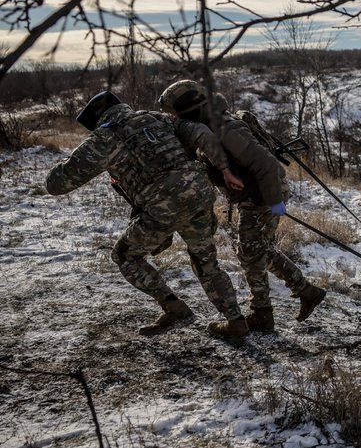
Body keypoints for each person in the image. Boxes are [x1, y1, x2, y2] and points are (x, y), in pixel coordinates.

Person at [45, 91, 250, 340]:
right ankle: (236, 321)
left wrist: (74, 156)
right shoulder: (156, 118)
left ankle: (174, 308)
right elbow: (200, 133)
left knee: (125, 255)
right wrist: (224, 168)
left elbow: (56, 184)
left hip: (162, 204)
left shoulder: (103, 139)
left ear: (97, 120)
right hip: (199, 193)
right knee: (207, 262)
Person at [158, 80, 327, 333]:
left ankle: (262, 314)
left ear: (186, 108)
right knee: (257, 249)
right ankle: (305, 291)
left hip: (262, 195)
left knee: (250, 253)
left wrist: (274, 202)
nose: (173, 118)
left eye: (174, 112)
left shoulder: (226, 129)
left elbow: (267, 165)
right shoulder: (209, 126)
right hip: (256, 194)